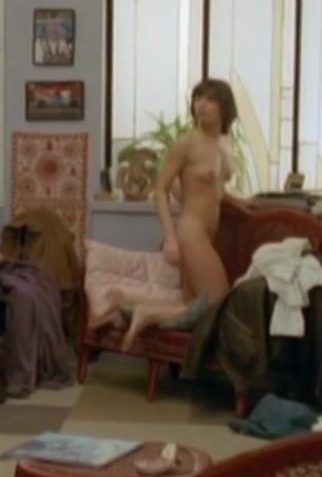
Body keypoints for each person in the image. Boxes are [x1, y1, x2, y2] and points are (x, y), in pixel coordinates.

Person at [105, 78, 245, 349]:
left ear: (224, 107)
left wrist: (245, 205)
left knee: (192, 303)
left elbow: (217, 192)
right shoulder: (187, 143)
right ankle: (146, 314)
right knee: (218, 299)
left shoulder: (220, 145)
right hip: (191, 230)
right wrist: (170, 238)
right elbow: (160, 190)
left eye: (210, 100)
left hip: (208, 233)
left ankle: (131, 307)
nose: (201, 105)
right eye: (198, 98)